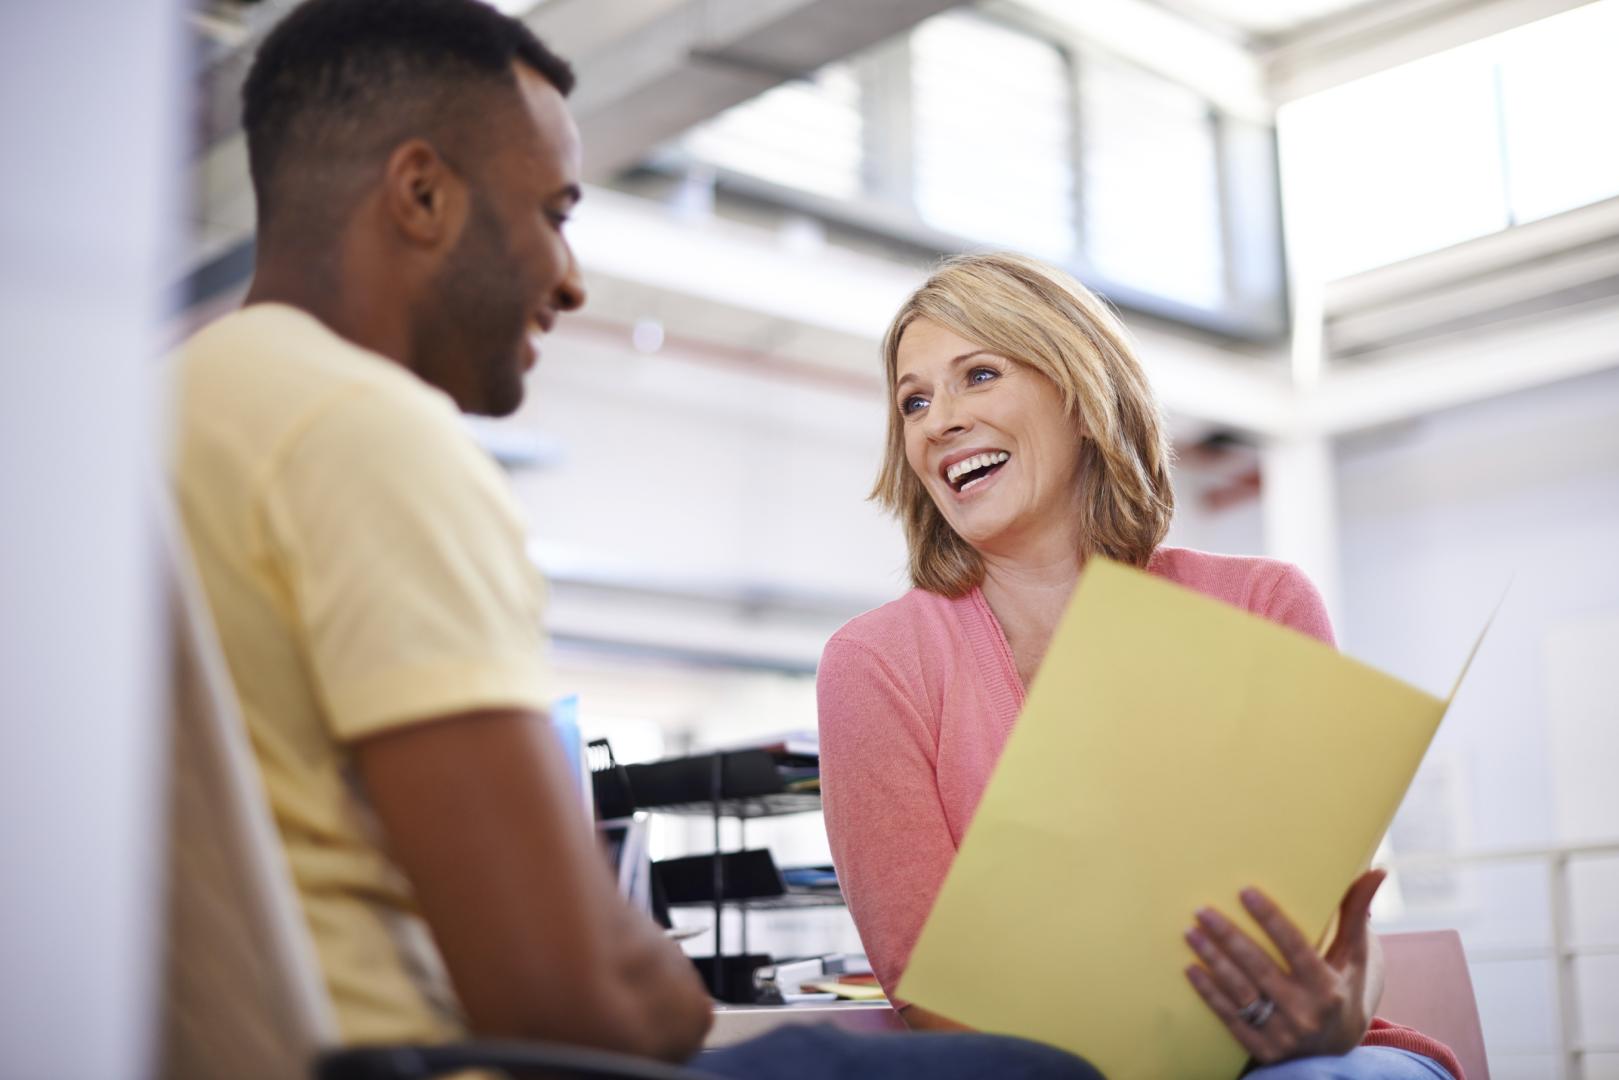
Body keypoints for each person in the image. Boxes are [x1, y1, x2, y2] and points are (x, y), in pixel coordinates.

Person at [170, 2, 1099, 1077]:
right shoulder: (361, 431)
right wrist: (648, 973)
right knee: (1043, 1069)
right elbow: (581, 1003)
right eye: (553, 212)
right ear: (421, 195)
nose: (568, 278)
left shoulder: (175, 414)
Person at [816, 252, 1466, 1079]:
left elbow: (1337, 916)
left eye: (978, 375)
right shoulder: (874, 664)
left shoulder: (1262, 604)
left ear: (1081, 397)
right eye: (913, 400)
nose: (937, 420)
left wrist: (1334, 1013)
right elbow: (929, 987)